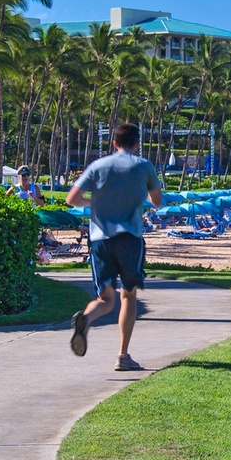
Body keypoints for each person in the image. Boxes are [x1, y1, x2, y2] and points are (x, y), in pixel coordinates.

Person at [65, 123, 164, 371]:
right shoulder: (143, 166)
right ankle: (123, 356)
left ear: (115, 143)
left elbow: (72, 199)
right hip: (130, 238)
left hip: (100, 240)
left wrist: (97, 202)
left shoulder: (98, 166)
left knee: (105, 298)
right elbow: (157, 201)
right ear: (137, 143)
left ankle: (86, 318)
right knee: (128, 296)